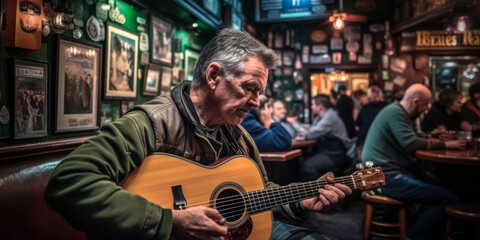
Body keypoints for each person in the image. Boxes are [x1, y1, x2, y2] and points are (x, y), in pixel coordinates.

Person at [44, 28, 351, 240]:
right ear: (214, 75)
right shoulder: (151, 123)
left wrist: (300, 201)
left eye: (259, 93)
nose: (257, 102)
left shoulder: (237, 134)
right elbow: (70, 181)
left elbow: (257, 189)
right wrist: (169, 222)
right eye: (250, 88)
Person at [362, 83, 465, 240]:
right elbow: (409, 143)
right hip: (381, 177)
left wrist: (434, 137)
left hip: (381, 173)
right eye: (425, 105)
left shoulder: (397, 111)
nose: (426, 108)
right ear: (415, 101)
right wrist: (445, 144)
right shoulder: (396, 113)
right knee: (447, 197)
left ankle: (422, 226)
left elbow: (412, 136)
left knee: (442, 184)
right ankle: (413, 235)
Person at [300, 94, 354, 181]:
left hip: (336, 155)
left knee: (308, 166)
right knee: (303, 160)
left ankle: (317, 192)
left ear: (320, 107)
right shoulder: (322, 117)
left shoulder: (330, 116)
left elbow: (312, 133)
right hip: (329, 152)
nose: (311, 107)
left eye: (313, 104)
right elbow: (312, 130)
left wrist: (305, 134)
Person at [355, 82, 388, 161]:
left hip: (382, 144)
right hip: (364, 142)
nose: (372, 98)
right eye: (370, 97)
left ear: (380, 95)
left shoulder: (387, 107)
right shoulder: (365, 107)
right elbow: (357, 124)